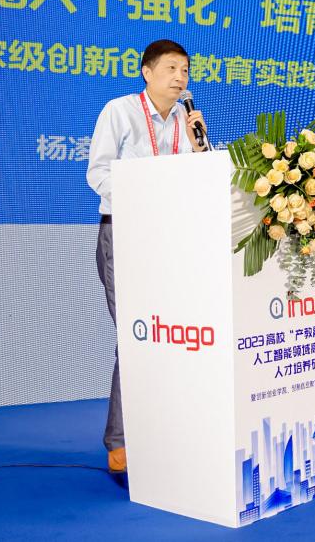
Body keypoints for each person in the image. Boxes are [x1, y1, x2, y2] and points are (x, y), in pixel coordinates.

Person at [86, 39, 207, 474]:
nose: (180, 77)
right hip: (125, 234)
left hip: (170, 239)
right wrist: (145, 197)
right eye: (171, 68)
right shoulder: (120, 111)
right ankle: (121, 443)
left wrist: (199, 149)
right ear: (147, 71)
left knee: (167, 334)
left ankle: (166, 432)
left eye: (185, 70)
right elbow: (98, 173)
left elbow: (202, 182)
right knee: (137, 336)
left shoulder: (187, 122)